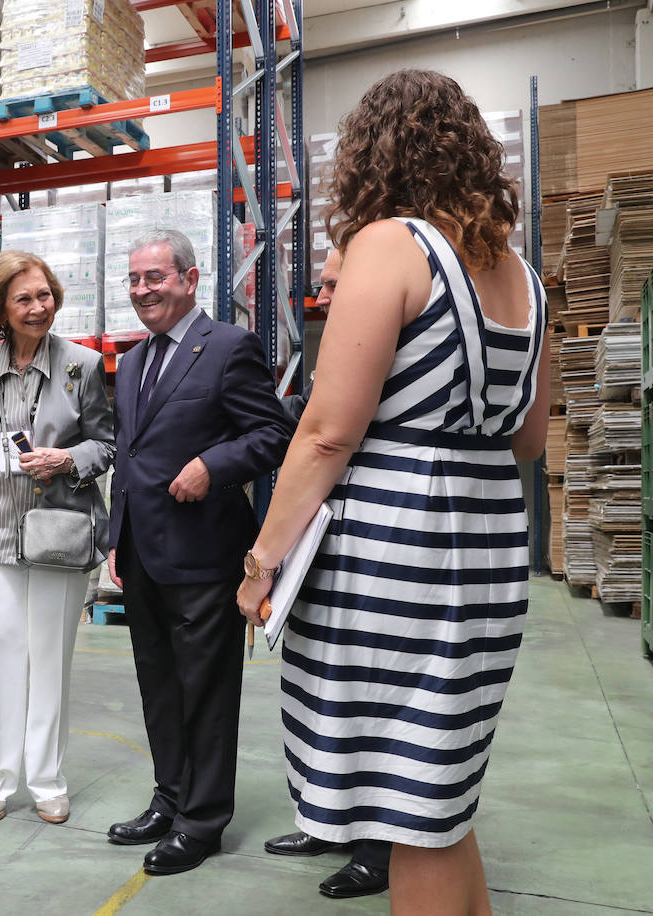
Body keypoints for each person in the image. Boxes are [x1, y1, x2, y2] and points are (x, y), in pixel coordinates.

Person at [236, 70, 549, 916]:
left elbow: (328, 430)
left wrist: (262, 557)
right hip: (489, 545)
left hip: (397, 549)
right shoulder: (522, 275)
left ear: (376, 153)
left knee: (412, 810)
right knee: (440, 790)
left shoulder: (390, 245)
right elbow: (529, 439)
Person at [106, 228, 290, 875]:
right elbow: (130, 456)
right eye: (133, 280)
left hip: (205, 553)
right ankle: (170, 797)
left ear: (188, 279)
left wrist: (214, 464)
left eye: (154, 277)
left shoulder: (229, 348)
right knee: (158, 686)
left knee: (206, 690)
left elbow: (273, 433)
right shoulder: (131, 363)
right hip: (143, 552)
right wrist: (115, 536)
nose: (142, 290)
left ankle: (203, 820)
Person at [0, 250, 115, 827]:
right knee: (0, 652)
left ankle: (47, 779)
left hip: (58, 534)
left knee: (50, 657)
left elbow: (107, 445)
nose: (37, 307)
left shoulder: (83, 366)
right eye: (23, 298)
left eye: (45, 294)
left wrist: (65, 458)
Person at [262, 246, 392, 900]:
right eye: (323, 285)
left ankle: (375, 848)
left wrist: (262, 556)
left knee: (364, 698)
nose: (325, 296)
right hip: (321, 547)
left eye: (337, 284)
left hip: (369, 547)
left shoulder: (381, 345)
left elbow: (331, 439)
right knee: (314, 689)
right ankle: (324, 817)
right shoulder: (333, 349)